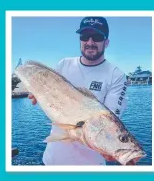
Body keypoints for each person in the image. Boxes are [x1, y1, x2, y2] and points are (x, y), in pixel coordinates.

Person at [35, 17, 129, 166]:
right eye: (85, 37)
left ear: (107, 42)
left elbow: (108, 125)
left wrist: (116, 149)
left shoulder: (116, 76)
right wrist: (36, 93)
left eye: (97, 37)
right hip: (51, 162)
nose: (90, 42)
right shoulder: (63, 64)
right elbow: (47, 99)